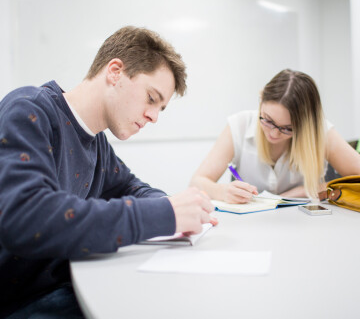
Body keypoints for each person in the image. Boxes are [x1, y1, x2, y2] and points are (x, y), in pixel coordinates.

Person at [0, 26, 215, 318]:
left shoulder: (96, 141)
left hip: (63, 286)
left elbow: (131, 188)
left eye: (160, 109)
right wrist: (165, 215)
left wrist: (177, 208)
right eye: (152, 99)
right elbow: (27, 218)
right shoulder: (29, 110)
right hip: (17, 301)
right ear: (115, 72)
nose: (153, 117)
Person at [190, 69, 360, 203]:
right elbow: (196, 182)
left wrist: (310, 189)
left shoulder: (321, 132)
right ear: (261, 99)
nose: (274, 133)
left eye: (288, 128)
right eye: (268, 120)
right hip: (251, 227)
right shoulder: (240, 124)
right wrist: (223, 191)